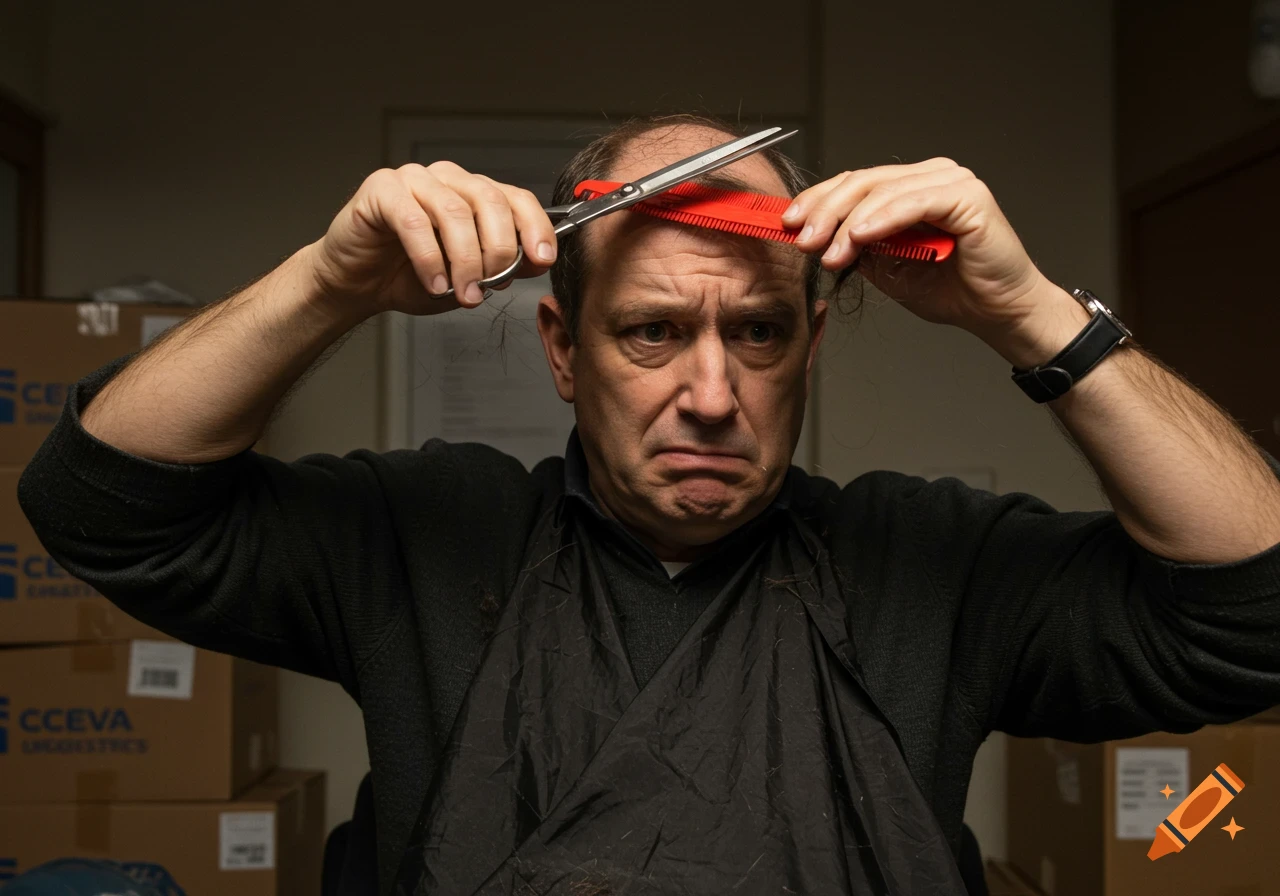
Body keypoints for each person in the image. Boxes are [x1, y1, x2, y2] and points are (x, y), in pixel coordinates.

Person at [18, 114, 1280, 896]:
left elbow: (1254, 613)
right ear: (562, 348)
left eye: (759, 331)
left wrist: (1034, 315)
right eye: (652, 332)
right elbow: (101, 507)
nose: (712, 391)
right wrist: (327, 282)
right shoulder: (427, 536)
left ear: (812, 343)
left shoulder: (928, 559)